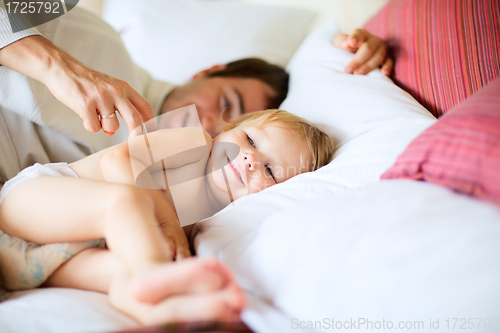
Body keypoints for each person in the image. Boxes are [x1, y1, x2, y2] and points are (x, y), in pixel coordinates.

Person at [0, 109, 335, 324]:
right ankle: (151, 274)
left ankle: (162, 313)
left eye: (270, 170)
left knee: (121, 275)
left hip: (32, 264)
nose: (249, 157)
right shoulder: (196, 143)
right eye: (249, 139)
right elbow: (118, 163)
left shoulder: (212, 222)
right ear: (227, 129)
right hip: (32, 203)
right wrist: (168, 225)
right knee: (128, 202)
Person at [0, 5, 392, 187]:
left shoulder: (186, 187)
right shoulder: (101, 48)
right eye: (227, 105)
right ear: (208, 72)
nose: (213, 130)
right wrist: (56, 67)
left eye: (236, 128)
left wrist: (345, 50)